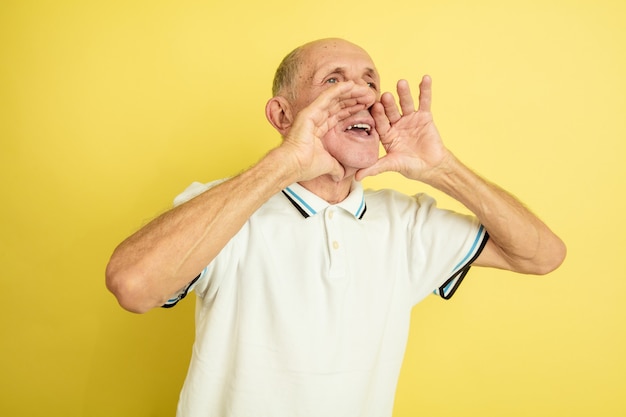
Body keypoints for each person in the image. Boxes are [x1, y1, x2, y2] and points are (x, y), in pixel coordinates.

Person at [106, 38, 566, 417]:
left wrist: (442, 169)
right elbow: (133, 285)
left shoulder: (407, 224)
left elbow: (542, 254)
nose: (363, 95)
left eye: (370, 82)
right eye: (333, 82)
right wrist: (283, 163)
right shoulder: (225, 207)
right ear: (283, 116)